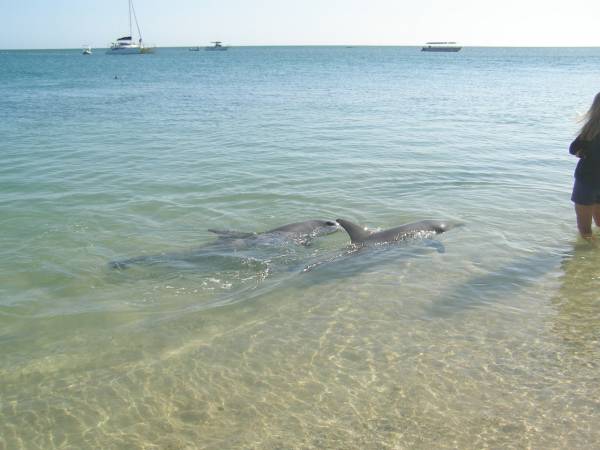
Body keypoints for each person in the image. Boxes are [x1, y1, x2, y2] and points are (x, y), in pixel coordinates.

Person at [570, 93, 600, 240]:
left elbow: (573, 149)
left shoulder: (590, 129)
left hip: (587, 182)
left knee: (585, 232)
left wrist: (583, 153)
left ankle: (590, 258)